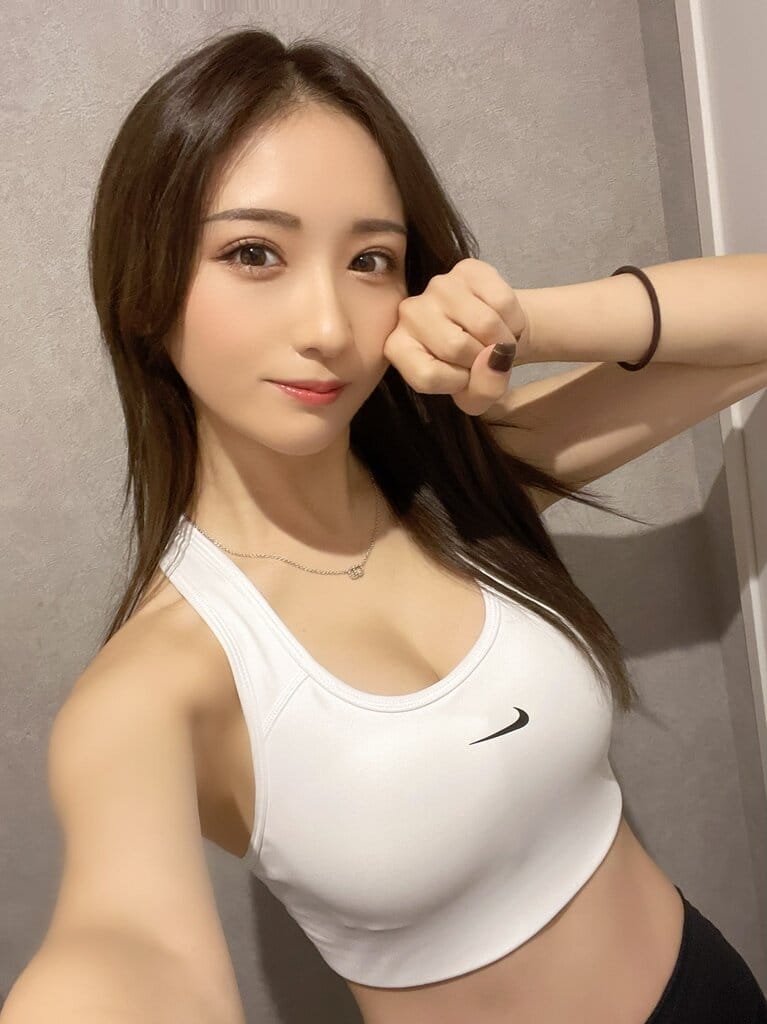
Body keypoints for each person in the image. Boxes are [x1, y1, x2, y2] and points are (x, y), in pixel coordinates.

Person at [6, 27, 767, 1024]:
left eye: (370, 260)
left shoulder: (460, 488)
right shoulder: (154, 687)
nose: (328, 325)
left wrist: (520, 325)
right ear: (146, 289)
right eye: (253, 253)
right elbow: (128, 948)